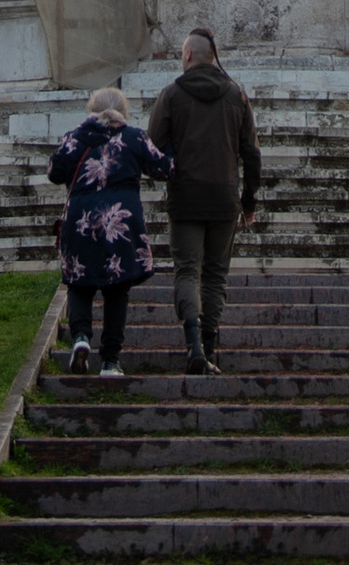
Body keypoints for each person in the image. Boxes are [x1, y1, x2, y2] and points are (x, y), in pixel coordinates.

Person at [146, 30, 261, 377]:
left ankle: (193, 345)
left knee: (187, 271)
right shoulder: (237, 95)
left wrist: (170, 166)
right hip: (225, 198)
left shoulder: (171, 95)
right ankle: (209, 349)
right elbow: (252, 154)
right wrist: (249, 201)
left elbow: (152, 146)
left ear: (188, 56)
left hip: (185, 197)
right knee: (215, 276)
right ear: (212, 57)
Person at [46, 85, 170, 380]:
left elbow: (53, 173)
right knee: (118, 289)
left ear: (92, 110)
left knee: (79, 283)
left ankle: (80, 337)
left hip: (81, 221)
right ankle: (110, 362)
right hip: (119, 223)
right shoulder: (134, 138)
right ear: (124, 111)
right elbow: (164, 168)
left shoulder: (74, 138)